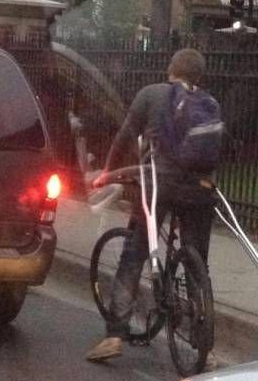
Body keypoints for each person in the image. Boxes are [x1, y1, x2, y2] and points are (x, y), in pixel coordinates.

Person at [86, 48, 222, 363]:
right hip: (199, 190)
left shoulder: (151, 95)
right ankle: (204, 346)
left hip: (159, 185)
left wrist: (107, 172)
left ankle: (114, 335)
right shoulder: (209, 104)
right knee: (197, 261)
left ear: (170, 69)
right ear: (199, 75)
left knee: (134, 254)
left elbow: (125, 137)